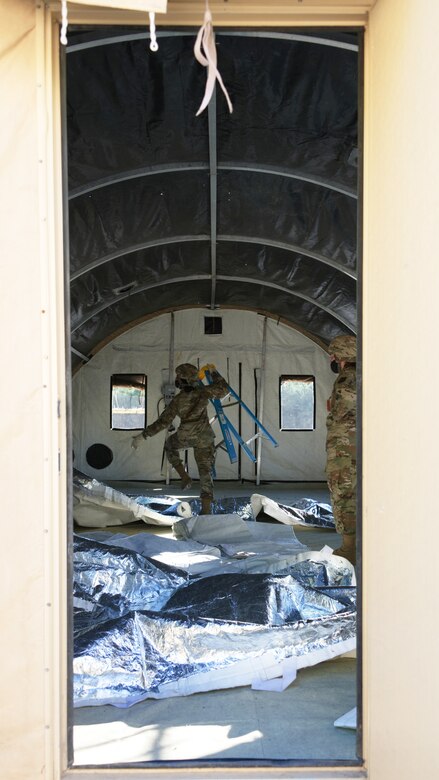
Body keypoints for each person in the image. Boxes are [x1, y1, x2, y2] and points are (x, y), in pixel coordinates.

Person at [132, 363, 228, 515]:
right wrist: (213, 372)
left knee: (170, 445)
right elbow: (223, 389)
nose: (176, 379)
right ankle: (206, 510)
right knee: (206, 472)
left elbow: (162, 422)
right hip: (204, 437)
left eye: (179, 376)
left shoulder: (177, 400)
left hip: (185, 436)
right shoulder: (204, 392)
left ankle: (184, 476)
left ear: (184, 379)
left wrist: (142, 436)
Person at [326, 335, 357, 566]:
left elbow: (340, 411)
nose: (332, 358)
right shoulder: (365, 375)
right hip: (358, 445)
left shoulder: (347, 379)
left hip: (344, 448)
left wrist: (332, 407)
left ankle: (349, 548)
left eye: (335, 354)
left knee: (343, 493)